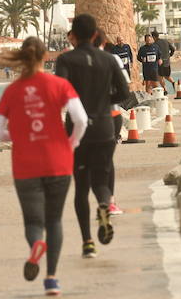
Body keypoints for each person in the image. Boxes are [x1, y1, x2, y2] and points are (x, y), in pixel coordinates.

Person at [0, 37, 87, 296]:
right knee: (54, 220)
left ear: (23, 58)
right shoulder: (59, 84)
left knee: (34, 221)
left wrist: (18, 135)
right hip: (59, 160)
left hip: (25, 165)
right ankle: (52, 279)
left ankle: (37, 245)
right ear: (46, 57)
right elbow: (81, 119)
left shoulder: (12, 90)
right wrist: (72, 143)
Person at [55, 14, 130, 260]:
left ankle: (88, 242)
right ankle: (104, 204)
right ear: (96, 35)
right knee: (102, 177)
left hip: (78, 130)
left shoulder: (66, 59)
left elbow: (60, 90)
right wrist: (102, 100)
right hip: (105, 128)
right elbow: (124, 91)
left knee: (81, 187)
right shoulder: (109, 59)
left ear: (73, 35)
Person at [95, 31, 128, 216]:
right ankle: (109, 201)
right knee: (105, 161)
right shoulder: (112, 59)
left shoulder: (72, 60)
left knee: (100, 161)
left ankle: (107, 201)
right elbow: (124, 90)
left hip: (102, 116)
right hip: (111, 115)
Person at [151, 30, 175, 95]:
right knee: (167, 75)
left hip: (160, 63)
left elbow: (155, 54)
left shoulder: (155, 44)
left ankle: (165, 90)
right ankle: (174, 83)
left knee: (160, 77)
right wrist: (170, 55)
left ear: (153, 37)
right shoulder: (165, 41)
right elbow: (173, 49)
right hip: (167, 62)